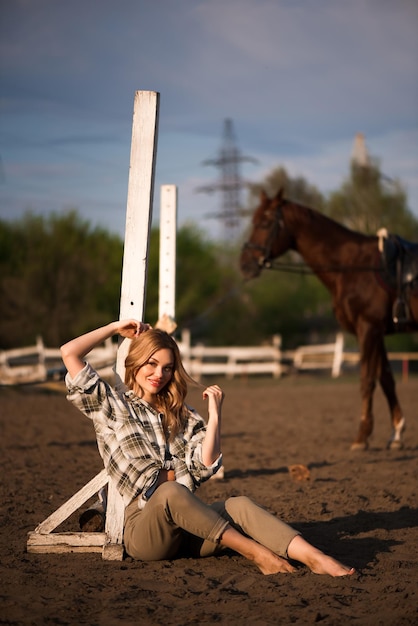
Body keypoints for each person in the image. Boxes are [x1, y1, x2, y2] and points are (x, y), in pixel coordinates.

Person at [60, 319, 355, 577]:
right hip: (144, 531)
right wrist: (114, 328)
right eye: (151, 364)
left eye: (167, 368)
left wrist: (215, 417)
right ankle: (256, 553)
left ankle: (315, 557)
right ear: (135, 362)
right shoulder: (112, 407)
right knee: (170, 492)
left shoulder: (181, 414)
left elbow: (204, 464)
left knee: (238, 505)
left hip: (187, 528)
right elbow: (69, 353)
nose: (158, 374)